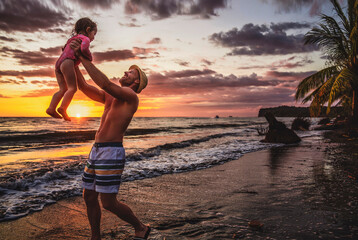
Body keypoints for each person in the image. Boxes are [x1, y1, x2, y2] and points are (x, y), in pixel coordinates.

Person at [69, 39, 150, 240]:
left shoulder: (131, 96)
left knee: (108, 203)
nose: (126, 72)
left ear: (136, 82)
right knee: (88, 196)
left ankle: (140, 227)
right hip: (96, 150)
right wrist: (74, 63)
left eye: (131, 72)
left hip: (111, 151)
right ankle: (95, 237)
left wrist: (83, 57)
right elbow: (85, 87)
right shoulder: (111, 97)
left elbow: (104, 82)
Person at [46, 17, 97, 121]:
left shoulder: (71, 39)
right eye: (93, 34)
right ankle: (63, 108)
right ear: (88, 30)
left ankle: (51, 108)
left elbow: (66, 48)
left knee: (63, 89)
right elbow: (84, 48)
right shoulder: (85, 39)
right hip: (68, 62)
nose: (93, 37)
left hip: (59, 64)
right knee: (72, 88)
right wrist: (89, 57)